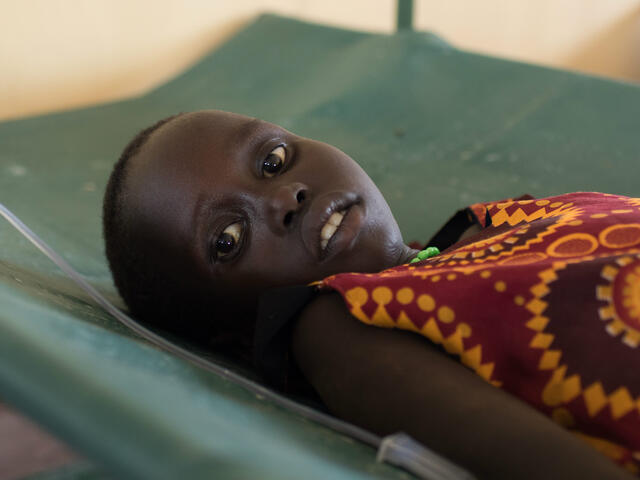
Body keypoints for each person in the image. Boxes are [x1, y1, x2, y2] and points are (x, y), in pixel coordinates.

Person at [103, 110, 640, 479]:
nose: (284, 198)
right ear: (240, 338)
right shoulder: (338, 325)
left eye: (273, 161)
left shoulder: (497, 223)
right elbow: (532, 459)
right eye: (229, 239)